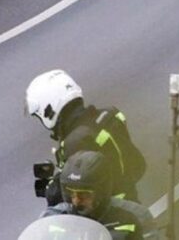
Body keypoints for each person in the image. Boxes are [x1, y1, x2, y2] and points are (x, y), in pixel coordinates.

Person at [26, 70, 147, 204]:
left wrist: (50, 190)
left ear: (48, 111)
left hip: (107, 216)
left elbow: (67, 194)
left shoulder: (75, 142)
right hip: (133, 205)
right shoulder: (109, 115)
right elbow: (136, 165)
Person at [41, 151, 159, 240]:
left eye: (84, 195)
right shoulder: (51, 219)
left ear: (102, 192)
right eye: (71, 193)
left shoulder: (136, 216)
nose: (76, 200)